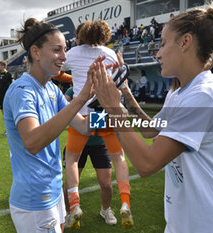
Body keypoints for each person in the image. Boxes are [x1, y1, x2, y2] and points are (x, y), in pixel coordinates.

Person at [91, 4, 213, 232]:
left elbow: (147, 164)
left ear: (185, 42)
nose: (158, 53)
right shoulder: (181, 93)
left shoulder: (203, 95)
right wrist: (125, 91)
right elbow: (150, 130)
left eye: (163, 43)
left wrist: (113, 108)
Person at [2, 17, 97, 233]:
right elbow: (33, 141)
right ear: (35, 52)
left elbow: (83, 126)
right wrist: (80, 99)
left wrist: (107, 108)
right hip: (35, 198)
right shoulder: (22, 91)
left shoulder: (52, 90)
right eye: (57, 50)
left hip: (53, 191)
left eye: (65, 50)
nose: (64, 57)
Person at [62, 20, 134, 229]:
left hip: (81, 114)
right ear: (105, 34)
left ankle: (74, 205)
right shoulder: (110, 54)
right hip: (103, 114)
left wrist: (71, 77)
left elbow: (57, 69)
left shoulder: (73, 53)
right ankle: (125, 202)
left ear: (81, 34)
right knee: (119, 157)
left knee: (71, 160)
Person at [62, 87, 117, 227]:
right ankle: (68, 212)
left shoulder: (106, 90)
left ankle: (106, 210)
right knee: (70, 183)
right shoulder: (74, 89)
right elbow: (63, 104)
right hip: (77, 140)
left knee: (106, 184)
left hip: (99, 143)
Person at [0, 61, 13, 135]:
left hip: (7, 96)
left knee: (9, 113)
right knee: (4, 114)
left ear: (3, 66)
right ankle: (8, 130)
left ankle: (11, 129)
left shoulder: (8, 75)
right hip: (0, 96)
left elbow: (12, 86)